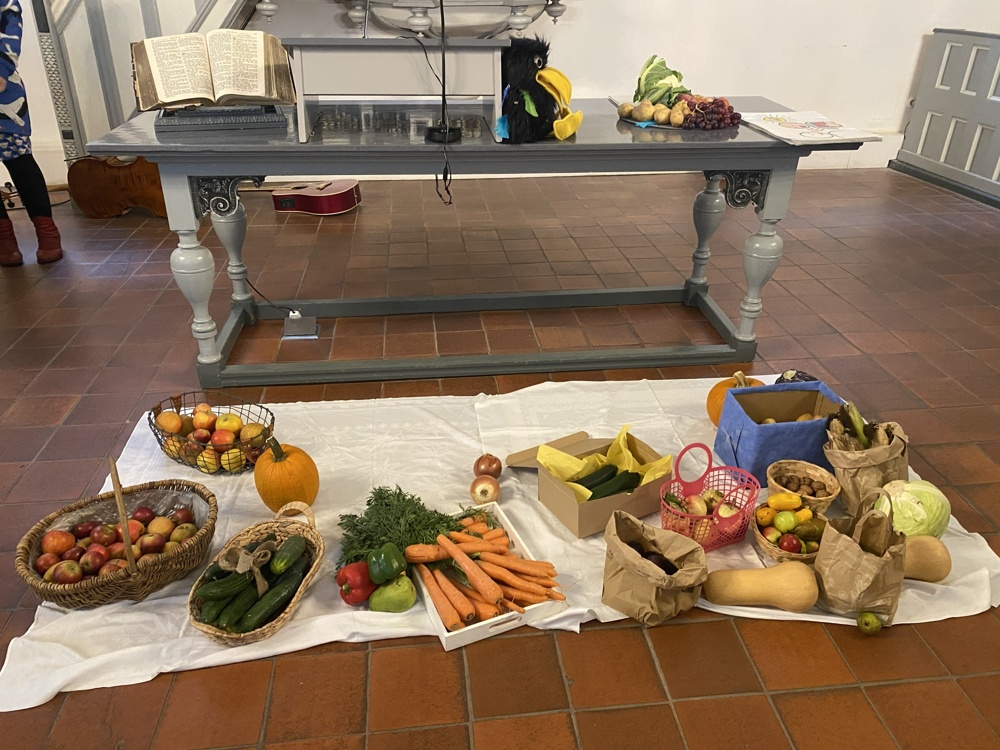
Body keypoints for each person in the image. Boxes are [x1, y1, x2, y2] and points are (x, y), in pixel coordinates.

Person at [0, 0, 61, 267]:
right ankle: (4, 240)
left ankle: (48, 235)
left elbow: (10, 20)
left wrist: (2, 68)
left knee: (20, 160)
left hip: (3, 92)